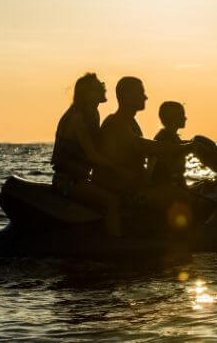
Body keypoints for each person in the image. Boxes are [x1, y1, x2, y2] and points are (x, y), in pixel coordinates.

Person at [95, 77, 197, 228]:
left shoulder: (131, 123)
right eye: (140, 93)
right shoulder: (116, 123)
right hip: (121, 191)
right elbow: (143, 145)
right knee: (177, 195)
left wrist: (188, 144)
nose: (145, 97)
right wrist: (181, 148)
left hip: (136, 186)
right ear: (126, 96)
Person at [51, 72, 123, 237]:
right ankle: (114, 242)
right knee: (113, 201)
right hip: (68, 181)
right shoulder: (77, 119)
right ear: (87, 94)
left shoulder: (93, 114)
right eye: (99, 87)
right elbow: (92, 155)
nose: (104, 88)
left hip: (80, 178)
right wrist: (117, 168)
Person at [147, 101, 189, 189]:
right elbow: (169, 175)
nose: (185, 118)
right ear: (173, 117)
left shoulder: (170, 137)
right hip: (165, 192)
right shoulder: (165, 139)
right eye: (181, 115)